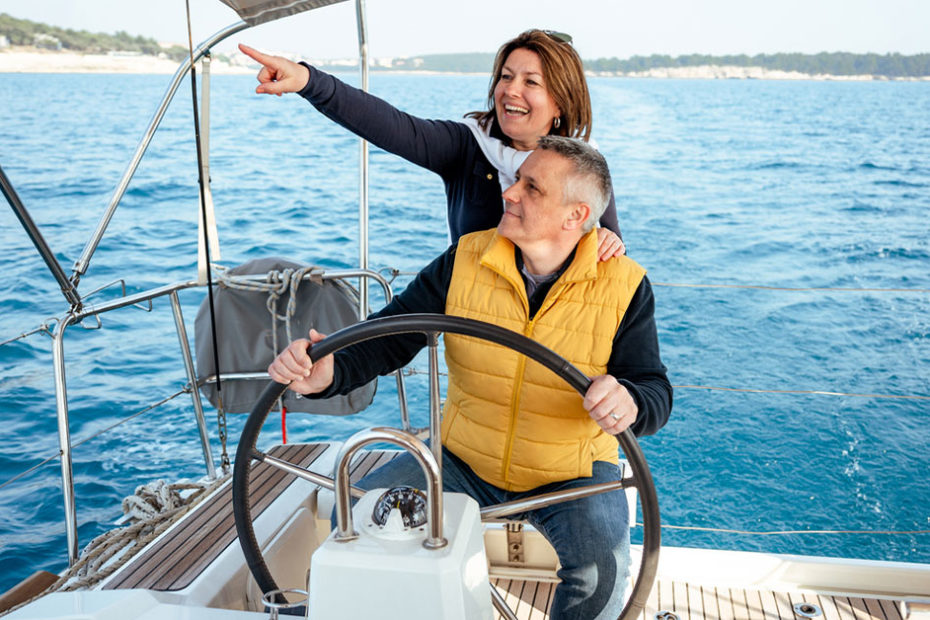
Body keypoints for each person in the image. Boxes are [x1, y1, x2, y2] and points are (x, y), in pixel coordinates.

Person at [269, 136, 672, 619]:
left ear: (575, 216)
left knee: (601, 578)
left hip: (574, 471)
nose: (510, 193)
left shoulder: (625, 284)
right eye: (516, 180)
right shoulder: (465, 259)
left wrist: (629, 400)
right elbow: (390, 334)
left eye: (532, 188)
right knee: (358, 516)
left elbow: (653, 389)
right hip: (463, 457)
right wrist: (328, 371)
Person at [239, 29, 626, 259]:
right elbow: (389, 125)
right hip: (480, 335)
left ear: (561, 100)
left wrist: (611, 242)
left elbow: (610, 256)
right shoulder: (465, 145)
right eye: (506, 77)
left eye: (531, 82)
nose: (510, 90)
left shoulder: (584, 167)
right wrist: (310, 81)